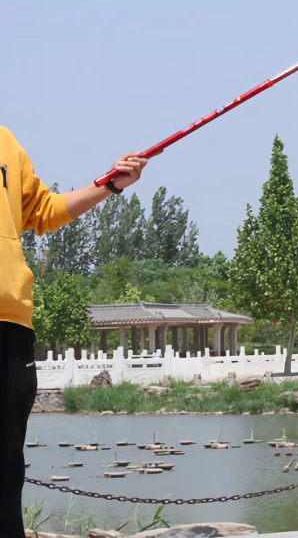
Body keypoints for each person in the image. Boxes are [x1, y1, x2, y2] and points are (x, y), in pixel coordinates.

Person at [0, 125, 148, 537]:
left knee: (7, 471)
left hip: (11, 327)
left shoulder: (5, 142)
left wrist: (110, 185)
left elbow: (43, 210)